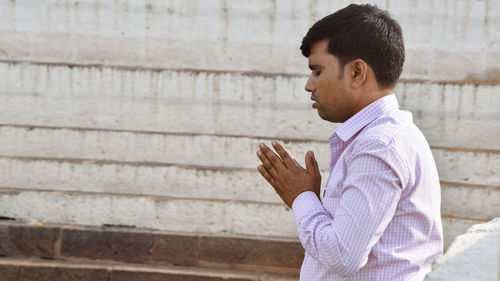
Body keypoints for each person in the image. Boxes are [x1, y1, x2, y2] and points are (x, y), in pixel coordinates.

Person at [256, 4, 443, 281]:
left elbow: (343, 256)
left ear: (357, 72)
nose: (309, 85)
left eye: (317, 71)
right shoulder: (385, 136)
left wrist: (301, 198)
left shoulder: (380, 145)